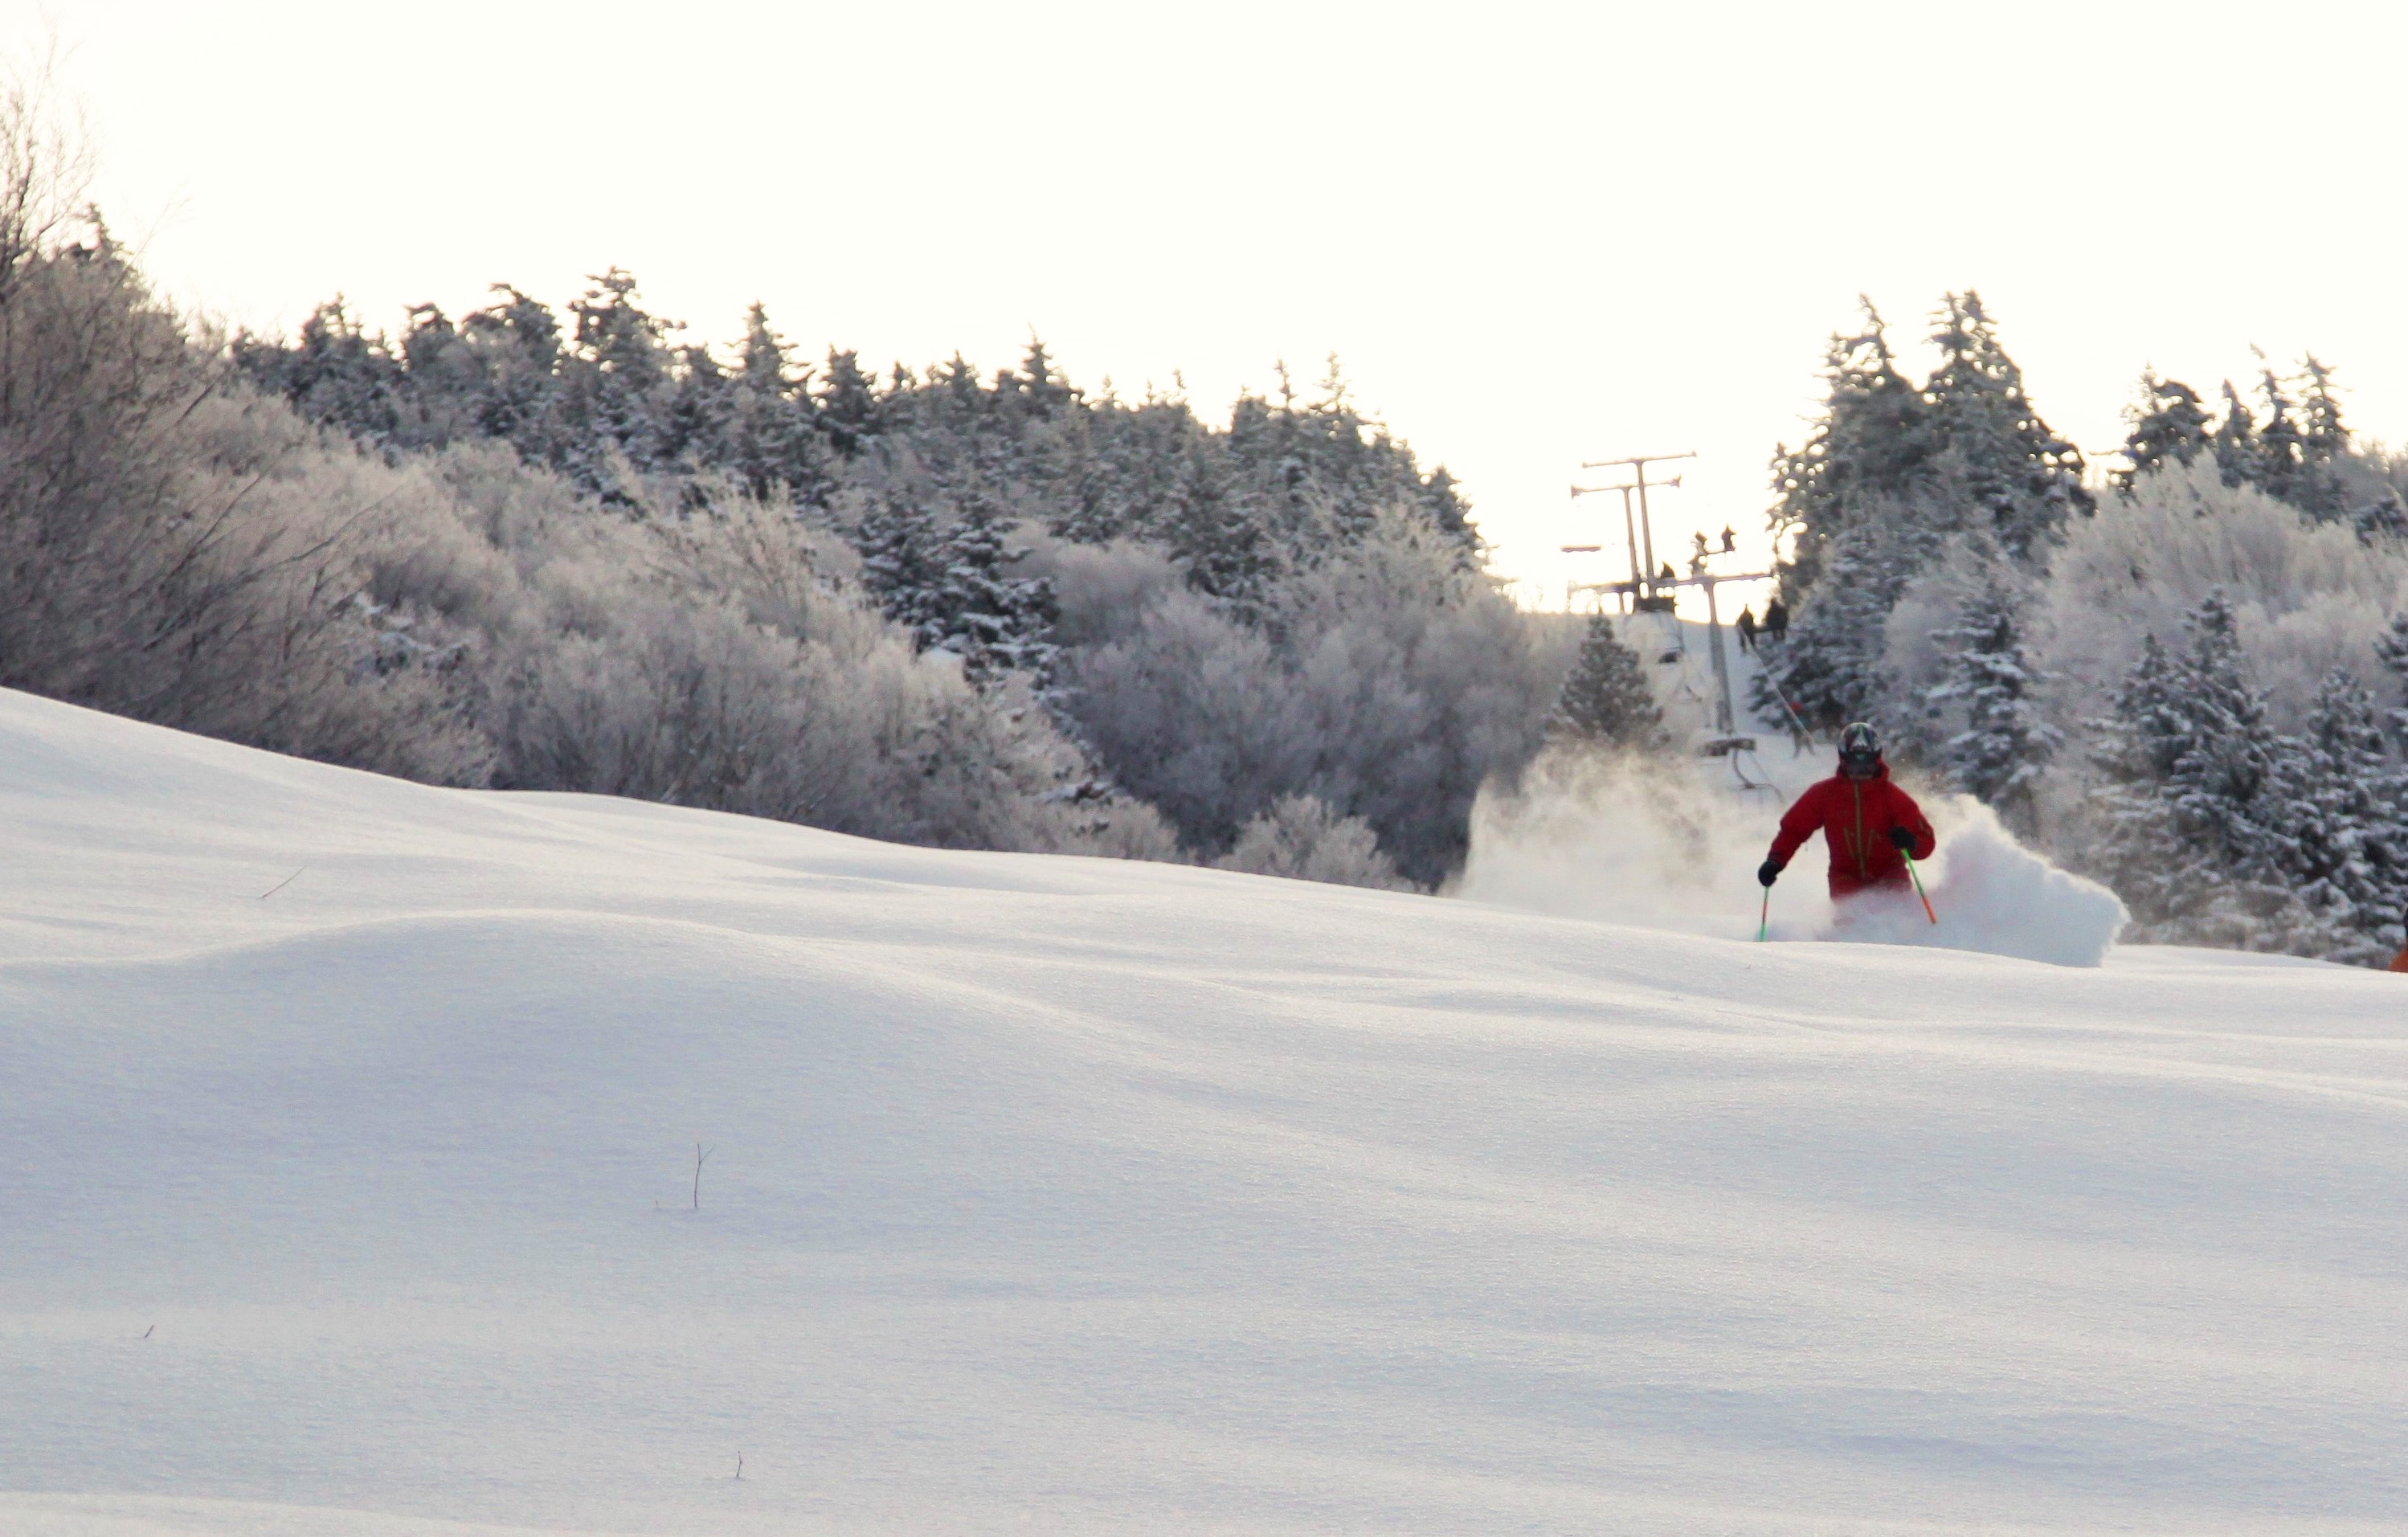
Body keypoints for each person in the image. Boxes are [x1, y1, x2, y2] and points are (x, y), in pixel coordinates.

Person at [1758, 721, 1935, 901]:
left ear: (1877, 761)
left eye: (1867, 766)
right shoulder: (1824, 794)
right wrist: (1775, 861)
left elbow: (1926, 840)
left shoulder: (1892, 797)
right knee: (1849, 910)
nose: (1861, 774)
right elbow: (1794, 830)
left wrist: (1911, 842)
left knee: (1894, 908)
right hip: (1845, 876)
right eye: (1854, 766)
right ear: (1843, 762)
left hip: (1890, 874)